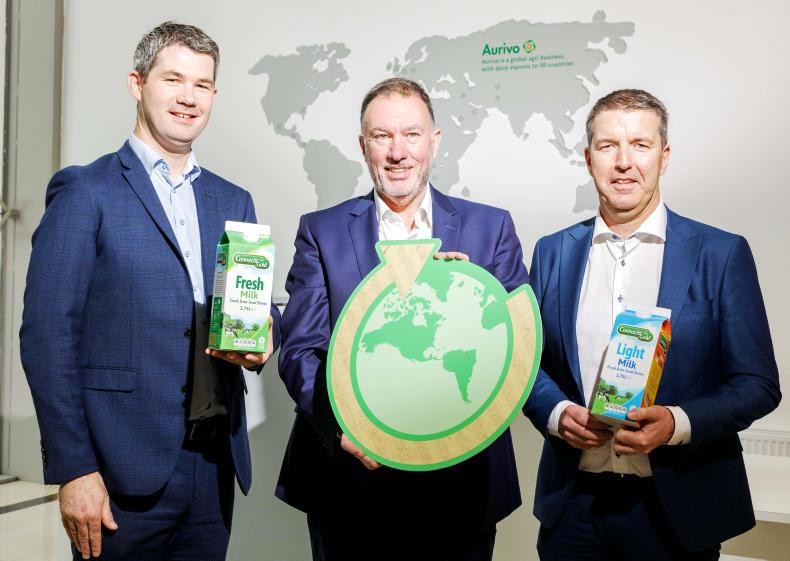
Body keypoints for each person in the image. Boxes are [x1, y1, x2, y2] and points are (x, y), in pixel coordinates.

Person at [20, 21, 280, 561]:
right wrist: (73, 468)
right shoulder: (85, 191)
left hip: (213, 465)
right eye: (173, 80)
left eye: (202, 84)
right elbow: (47, 335)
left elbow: (244, 307)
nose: (189, 97)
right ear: (137, 84)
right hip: (118, 469)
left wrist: (262, 337)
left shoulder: (233, 200)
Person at [276, 77, 529, 561]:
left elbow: (517, 340)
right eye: (382, 136)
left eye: (412, 134)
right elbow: (300, 350)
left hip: (463, 488)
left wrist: (472, 297)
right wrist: (343, 427)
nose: (397, 152)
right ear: (363, 146)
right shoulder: (321, 231)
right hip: (350, 486)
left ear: (434, 141)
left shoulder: (490, 228)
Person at [523, 89, 781, 560]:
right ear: (588, 159)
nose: (624, 162)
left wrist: (676, 423)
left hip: (678, 509)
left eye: (640, 145)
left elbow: (757, 383)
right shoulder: (552, 252)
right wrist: (558, 414)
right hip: (573, 507)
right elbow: (526, 365)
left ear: (664, 156)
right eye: (608, 146)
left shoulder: (720, 254)